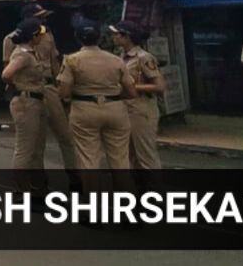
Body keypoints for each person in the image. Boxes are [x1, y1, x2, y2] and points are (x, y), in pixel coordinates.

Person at [3, 3, 79, 177]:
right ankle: (36, 186)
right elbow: (7, 68)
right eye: (40, 17)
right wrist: (17, 88)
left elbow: (54, 62)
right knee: (34, 143)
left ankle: (76, 178)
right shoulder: (11, 40)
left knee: (65, 136)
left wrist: (61, 88)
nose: (44, 20)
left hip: (49, 86)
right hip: (28, 90)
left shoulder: (47, 36)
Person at [56, 22, 134, 186]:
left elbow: (64, 91)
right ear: (99, 38)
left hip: (84, 108)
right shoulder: (116, 60)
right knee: (120, 159)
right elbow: (131, 91)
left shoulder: (72, 60)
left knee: (88, 158)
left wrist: (70, 99)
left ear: (78, 38)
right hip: (115, 108)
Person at [0, 18, 51, 191]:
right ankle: (20, 189)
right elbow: (6, 74)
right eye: (39, 35)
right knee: (25, 149)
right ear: (33, 36)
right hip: (26, 101)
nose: (41, 38)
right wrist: (17, 86)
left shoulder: (31, 52)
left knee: (37, 147)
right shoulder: (22, 54)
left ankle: (37, 186)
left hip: (35, 100)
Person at [111, 21, 165, 172]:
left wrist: (132, 87)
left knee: (146, 155)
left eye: (116, 34)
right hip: (126, 109)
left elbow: (159, 86)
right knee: (131, 156)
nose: (113, 37)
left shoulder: (144, 57)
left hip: (142, 109)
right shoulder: (121, 57)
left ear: (126, 37)